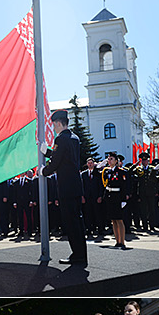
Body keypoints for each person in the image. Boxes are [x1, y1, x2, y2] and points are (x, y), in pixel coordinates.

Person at [42, 109, 88, 269]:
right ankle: (81, 254)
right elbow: (62, 158)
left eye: (54, 125)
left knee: (71, 223)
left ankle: (77, 256)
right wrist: (47, 152)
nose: (54, 128)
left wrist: (44, 171)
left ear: (58, 123)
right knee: (77, 221)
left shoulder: (61, 139)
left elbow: (56, 163)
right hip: (75, 186)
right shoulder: (74, 137)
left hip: (66, 187)